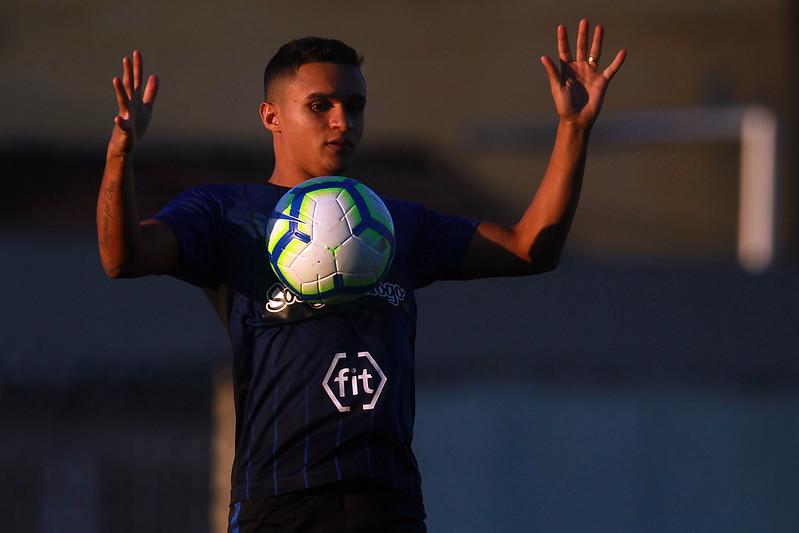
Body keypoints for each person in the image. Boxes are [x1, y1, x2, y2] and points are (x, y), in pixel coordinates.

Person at [97, 20, 625, 533]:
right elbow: (123, 257)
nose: (343, 122)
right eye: (320, 106)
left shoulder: (393, 221)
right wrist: (120, 153)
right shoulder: (226, 212)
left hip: (387, 501)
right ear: (271, 116)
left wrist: (572, 131)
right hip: (280, 500)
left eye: (355, 106)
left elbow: (531, 248)